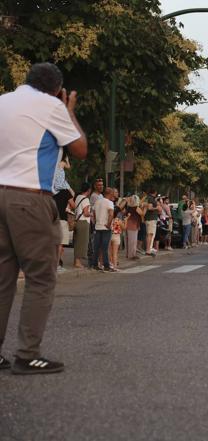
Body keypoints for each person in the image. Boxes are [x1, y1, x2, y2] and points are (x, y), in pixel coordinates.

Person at [0, 62, 87, 374]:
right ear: (57, 89)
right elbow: (79, 149)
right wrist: (69, 109)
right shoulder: (52, 105)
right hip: (29, 197)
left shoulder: (3, 101)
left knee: (3, 278)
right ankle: (27, 354)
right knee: (40, 276)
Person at [53, 184, 75, 272]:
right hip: (61, 219)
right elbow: (73, 205)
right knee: (60, 243)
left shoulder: (51, 190)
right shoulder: (65, 192)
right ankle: (57, 265)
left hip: (50, 219)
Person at [73, 183, 92, 268]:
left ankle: (76, 260)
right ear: (88, 190)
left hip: (77, 221)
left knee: (77, 242)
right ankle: (78, 262)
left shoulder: (78, 197)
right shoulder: (86, 199)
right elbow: (86, 213)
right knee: (82, 242)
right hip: (83, 222)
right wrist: (92, 214)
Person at [125, 195, 143, 260]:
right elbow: (142, 214)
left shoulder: (129, 208)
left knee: (130, 241)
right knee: (132, 241)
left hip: (131, 225)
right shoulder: (136, 208)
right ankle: (131, 255)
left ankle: (130, 254)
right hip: (132, 225)